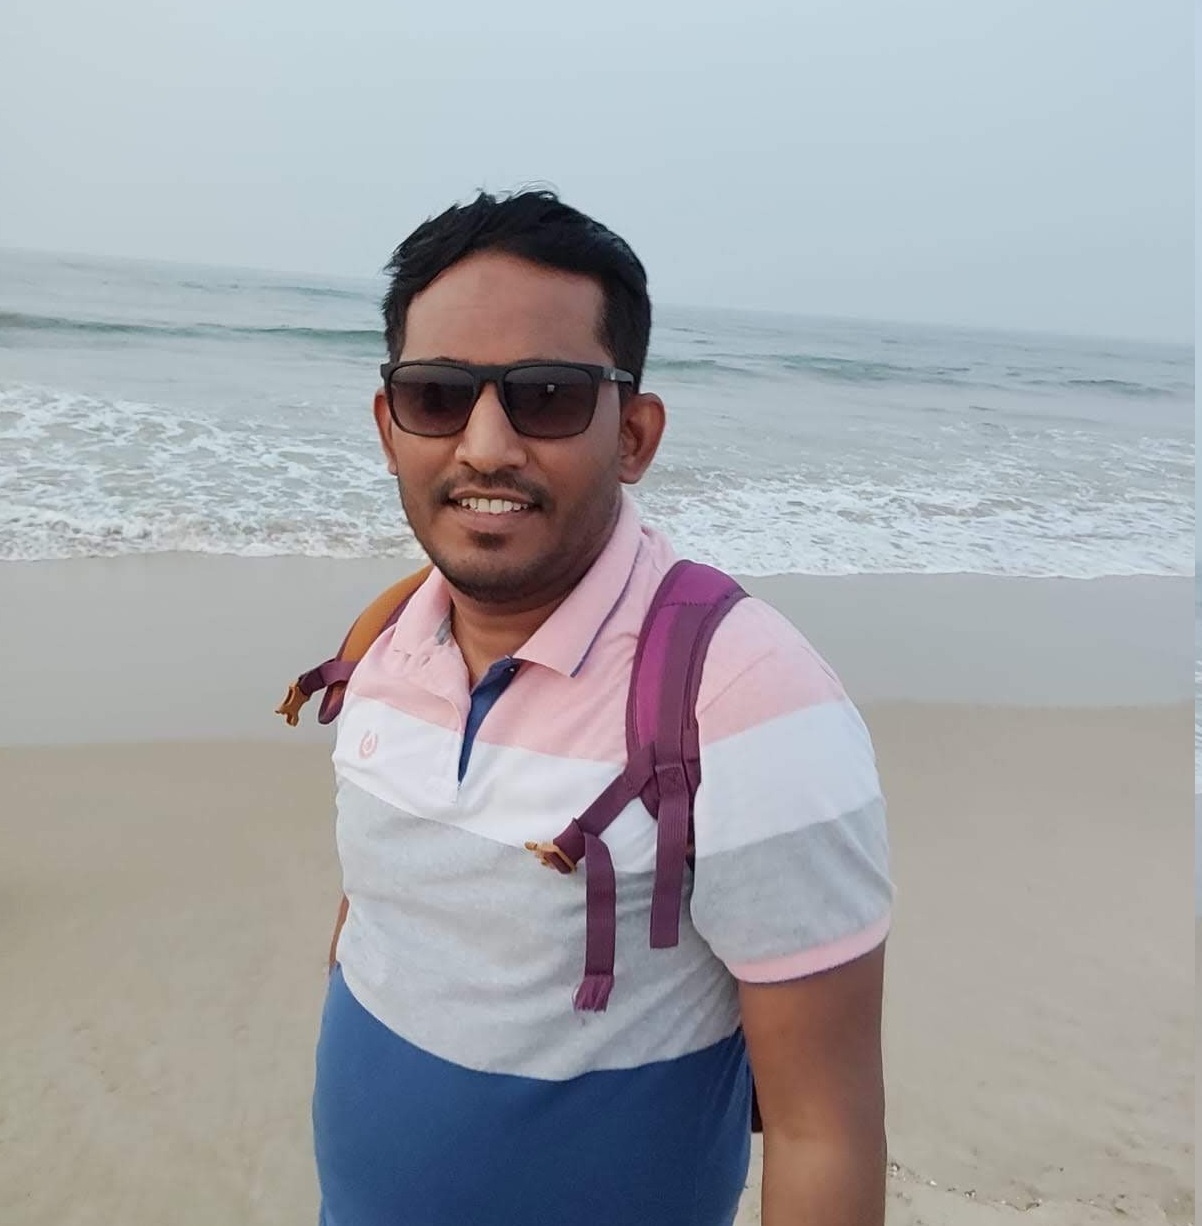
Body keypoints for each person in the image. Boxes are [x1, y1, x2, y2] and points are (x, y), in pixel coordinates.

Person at [311, 189, 893, 1226]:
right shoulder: (383, 638)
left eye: (545, 395)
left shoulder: (746, 696)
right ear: (388, 426)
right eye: (437, 395)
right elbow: (380, 920)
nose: (485, 445)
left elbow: (824, 1131)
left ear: (632, 434)